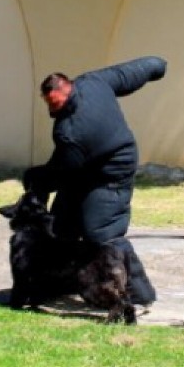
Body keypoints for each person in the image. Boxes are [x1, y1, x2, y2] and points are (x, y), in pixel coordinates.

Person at [23, 56, 167, 305]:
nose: (51, 111)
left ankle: (138, 292)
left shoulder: (71, 130)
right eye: (48, 104)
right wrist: (155, 66)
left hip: (111, 171)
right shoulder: (92, 82)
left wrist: (37, 180)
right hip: (85, 166)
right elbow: (125, 75)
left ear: (65, 90)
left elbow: (62, 172)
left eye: (54, 104)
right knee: (62, 223)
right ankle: (59, 282)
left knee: (102, 230)